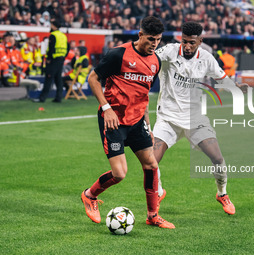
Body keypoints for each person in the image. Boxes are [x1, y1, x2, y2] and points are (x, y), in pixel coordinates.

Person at [81, 16, 175, 229]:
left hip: (137, 121)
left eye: (158, 40)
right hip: (113, 121)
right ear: (140, 35)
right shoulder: (119, 54)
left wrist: (148, 126)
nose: (154, 44)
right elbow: (93, 79)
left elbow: (144, 95)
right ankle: (89, 195)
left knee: (152, 165)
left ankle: (153, 216)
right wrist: (107, 110)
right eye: (151, 39)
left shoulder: (155, 62)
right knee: (119, 174)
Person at [153, 21, 247, 215]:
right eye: (185, 41)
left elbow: (221, 79)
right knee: (151, 162)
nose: (187, 46)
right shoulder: (168, 52)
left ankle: (222, 193)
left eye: (192, 43)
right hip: (168, 118)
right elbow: (148, 59)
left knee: (217, 158)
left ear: (200, 41)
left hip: (195, 119)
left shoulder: (206, 58)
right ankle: (159, 192)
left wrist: (236, 88)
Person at [33, 19, 68, 103]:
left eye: (51, 25)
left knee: (48, 78)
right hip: (61, 59)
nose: (50, 26)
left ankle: (42, 98)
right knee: (58, 79)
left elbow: (51, 48)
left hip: (53, 60)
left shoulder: (53, 35)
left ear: (54, 26)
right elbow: (67, 47)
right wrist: (63, 57)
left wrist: (48, 59)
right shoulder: (63, 36)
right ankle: (58, 98)